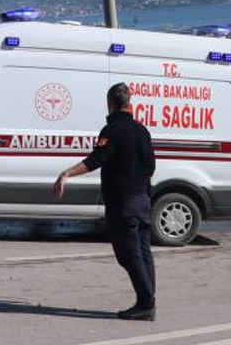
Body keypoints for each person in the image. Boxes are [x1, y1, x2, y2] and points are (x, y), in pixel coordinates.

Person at [53, 83, 157, 321]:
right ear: (129, 103)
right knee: (143, 252)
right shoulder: (143, 131)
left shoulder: (111, 130)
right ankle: (148, 299)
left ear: (110, 103)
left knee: (128, 255)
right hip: (142, 200)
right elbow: (151, 167)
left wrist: (66, 174)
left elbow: (96, 160)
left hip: (123, 203)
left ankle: (146, 303)